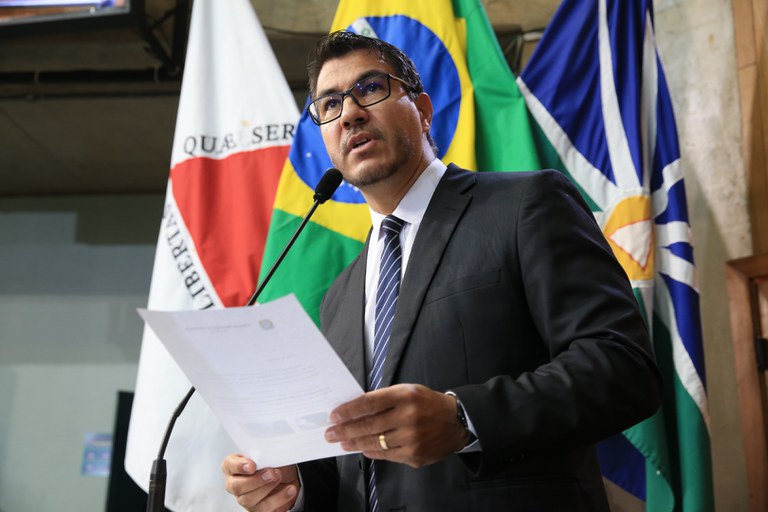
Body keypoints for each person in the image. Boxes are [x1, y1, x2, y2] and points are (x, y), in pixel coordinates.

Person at [222, 31, 661, 512]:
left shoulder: (524, 205)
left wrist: (464, 418)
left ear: (423, 109)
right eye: (329, 104)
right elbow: (356, 460)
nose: (349, 113)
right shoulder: (340, 296)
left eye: (370, 88)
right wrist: (293, 487)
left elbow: (624, 368)